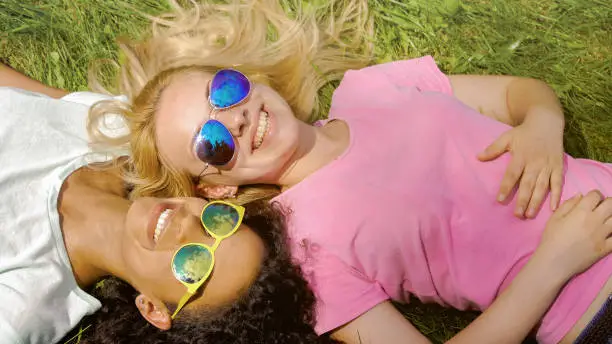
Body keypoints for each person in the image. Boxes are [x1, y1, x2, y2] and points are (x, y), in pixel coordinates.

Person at [87, 0, 612, 343]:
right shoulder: (306, 253)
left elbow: (518, 93)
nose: (235, 119)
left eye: (223, 91)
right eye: (213, 142)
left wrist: (542, 125)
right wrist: (553, 263)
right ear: (217, 186)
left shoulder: (370, 90)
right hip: (589, 310)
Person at [0, 64, 329, 344]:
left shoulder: (28, 301)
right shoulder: (115, 136)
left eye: (194, 265)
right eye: (217, 222)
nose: (185, 225)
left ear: (153, 308)